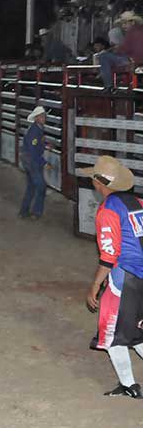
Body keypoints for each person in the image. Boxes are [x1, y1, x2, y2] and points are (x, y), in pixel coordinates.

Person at [79, 156, 143, 398]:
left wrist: (95, 285)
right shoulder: (138, 202)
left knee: (112, 333)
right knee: (135, 330)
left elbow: (109, 254)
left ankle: (129, 386)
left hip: (126, 277)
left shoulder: (108, 210)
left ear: (99, 183)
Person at [19, 106, 52, 219]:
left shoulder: (35, 129)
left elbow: (35, 145)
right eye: (42, 116)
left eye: (44, 116)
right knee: (41, 187)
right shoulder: (36, 131)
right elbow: (33, 151)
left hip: (28, 160)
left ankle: (24, 211)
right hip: (32, 162)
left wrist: (44, 146)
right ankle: (36, 212)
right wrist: (44, 163)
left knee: (31, 186)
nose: (44, 118)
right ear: (37, 118)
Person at [99, 11, 143, 92]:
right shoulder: (137, 31)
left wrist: (116, 49)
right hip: (134, 60)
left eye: (125, 23)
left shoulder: (133, 33)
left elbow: (125, 50)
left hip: (131, 61)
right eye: (122, 24)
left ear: (132, 22)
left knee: (103, 56)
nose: (123, 26)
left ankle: (108, 85)